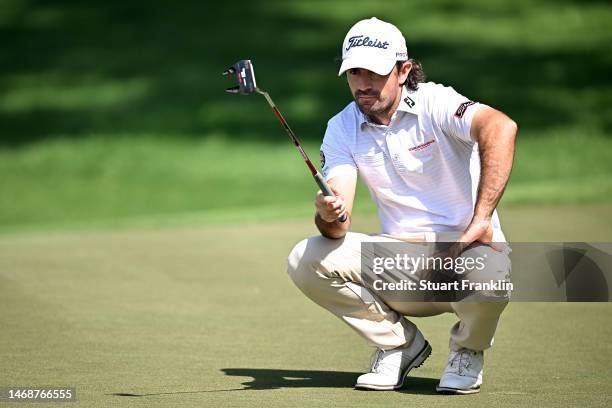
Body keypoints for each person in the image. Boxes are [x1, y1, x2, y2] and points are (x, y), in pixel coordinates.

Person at [286, 17, 517, 394]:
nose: (363, 83)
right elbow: (337, 226)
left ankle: (468, 351)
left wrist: (482, 218)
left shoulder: (436, 102)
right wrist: (328, 215)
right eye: (355, 72)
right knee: (305, 258)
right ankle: (398, 344)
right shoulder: (342, 127)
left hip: (465, 252)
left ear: (403, 70)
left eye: (375, 73)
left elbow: (501, 128)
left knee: (490, 273)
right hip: (401, 264)